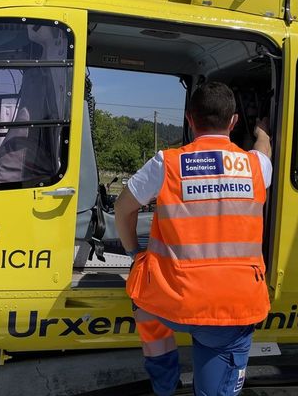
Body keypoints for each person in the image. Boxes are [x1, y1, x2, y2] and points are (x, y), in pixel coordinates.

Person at [114, 82, 272, 396]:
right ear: (233, 121)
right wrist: (263, 133)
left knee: (142, 293)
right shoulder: (257, 165)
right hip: (230, 310)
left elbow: (122, 209)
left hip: (171, 302)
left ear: (189, 119)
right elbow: (264, 151)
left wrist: (135, 254)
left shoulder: (167, 163)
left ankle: (164, 383)